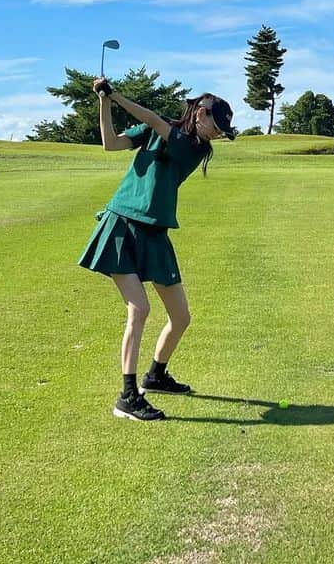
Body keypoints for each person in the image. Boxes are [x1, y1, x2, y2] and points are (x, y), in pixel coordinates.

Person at [78, 77, 237, 422]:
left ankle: (156, 375)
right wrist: (104, 102)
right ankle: (127, 396)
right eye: (217, 125)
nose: (218, 133)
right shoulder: (162, 129)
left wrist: (114, 93)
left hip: (155, 233)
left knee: (181, 316)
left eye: (223, 130)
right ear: (200, 114)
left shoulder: (194, 148)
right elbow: (110, 143)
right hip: (121, 225)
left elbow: (154, 121)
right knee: (139, 309)